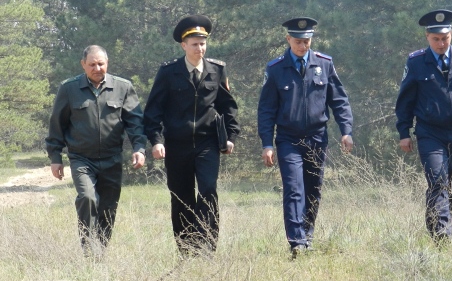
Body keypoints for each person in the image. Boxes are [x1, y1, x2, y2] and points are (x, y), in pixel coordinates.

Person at [144, 14, 240, 255]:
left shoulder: (217, 70)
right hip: (177, 144)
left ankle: (207, 246)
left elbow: (228, 107)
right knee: (182, 196)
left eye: (203, 43)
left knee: (208, 189)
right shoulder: (168, 72)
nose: (200, 48)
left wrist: (230, 137)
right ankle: (187, 249)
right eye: (195, 44)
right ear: (183, 45)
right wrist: (156, 140)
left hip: (208, 143)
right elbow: (153, 110)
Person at [258, 17, 354, 258]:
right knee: (293, 188)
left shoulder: (324, 64)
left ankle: (307, 235)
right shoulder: (276, 68)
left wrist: (346, 131)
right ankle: (296, 241)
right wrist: (267, 143)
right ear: (288, 39)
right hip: (288, 139)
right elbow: (266, 109)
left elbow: (339, 100)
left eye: (307, 41)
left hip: (317, 137)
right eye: (299, 41)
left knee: (313, 189)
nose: (303, 46)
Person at [395, 10, 452, 245]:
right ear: (427, 36)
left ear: (451, 35)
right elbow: (405, 101)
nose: (441, 43)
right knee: (438, 180)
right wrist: (404, 133)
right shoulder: (416, 62)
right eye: (436, 38)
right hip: (429, 131)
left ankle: (438, 221)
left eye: (445, 38)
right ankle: (442, 235)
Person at [46, 45, 147, 257]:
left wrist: (139, 148)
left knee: (108, 207)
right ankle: (88, 250)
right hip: (81, 158)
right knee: (88, 198)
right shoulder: (69, 89)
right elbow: (57, 124)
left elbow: (135, 122)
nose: (97, 68)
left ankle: (100, 251)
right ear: (83, 65)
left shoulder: (123, 87)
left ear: (107, 63)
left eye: (101, 63)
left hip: (112, 159)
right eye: (92, 64)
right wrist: (55, 157)